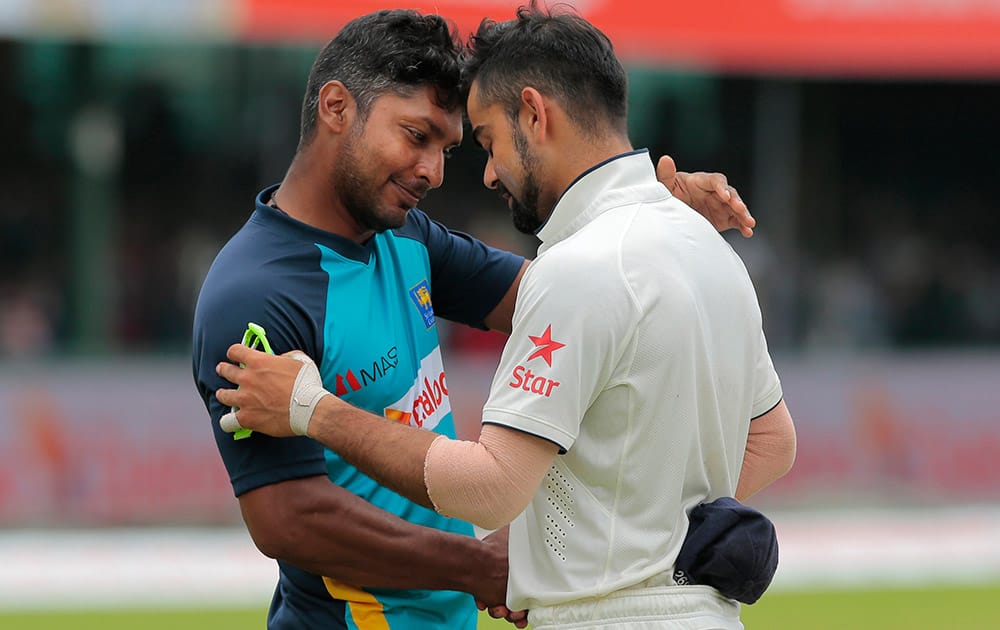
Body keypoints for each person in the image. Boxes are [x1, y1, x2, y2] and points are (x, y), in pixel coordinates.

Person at [195, 7, 758, 630]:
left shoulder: (409, 238)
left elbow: (588, 305)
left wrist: (650, 225)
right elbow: (288, 517)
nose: (434, 172)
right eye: (416, 135)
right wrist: (475, 566)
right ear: (335, 108)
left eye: (449, 147)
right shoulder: (254, 294)